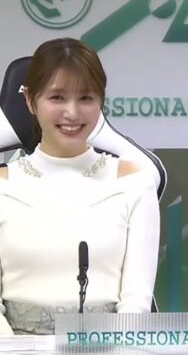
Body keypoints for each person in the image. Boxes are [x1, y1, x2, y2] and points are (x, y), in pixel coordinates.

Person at [0, 38, 160, 334]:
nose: (72, 113)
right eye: (57, 98)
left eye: (86, 98)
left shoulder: (135, 183)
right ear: (30, 100)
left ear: (101, 101)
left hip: (110, 351)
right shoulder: (3, 187)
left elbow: (136, 304)